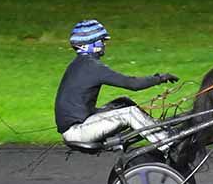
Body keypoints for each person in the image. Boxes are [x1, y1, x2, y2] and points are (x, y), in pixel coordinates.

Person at [55, 19, 178, 150]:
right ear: (91, 43)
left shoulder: (80, 63)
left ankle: (155, 129)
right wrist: (160, 78)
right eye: (101, 41)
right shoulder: (91, 66)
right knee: (130, 113)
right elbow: (133, 84)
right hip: (77, 132)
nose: (104, 45)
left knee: (123, 102)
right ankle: (169, 143)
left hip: (81, 124)